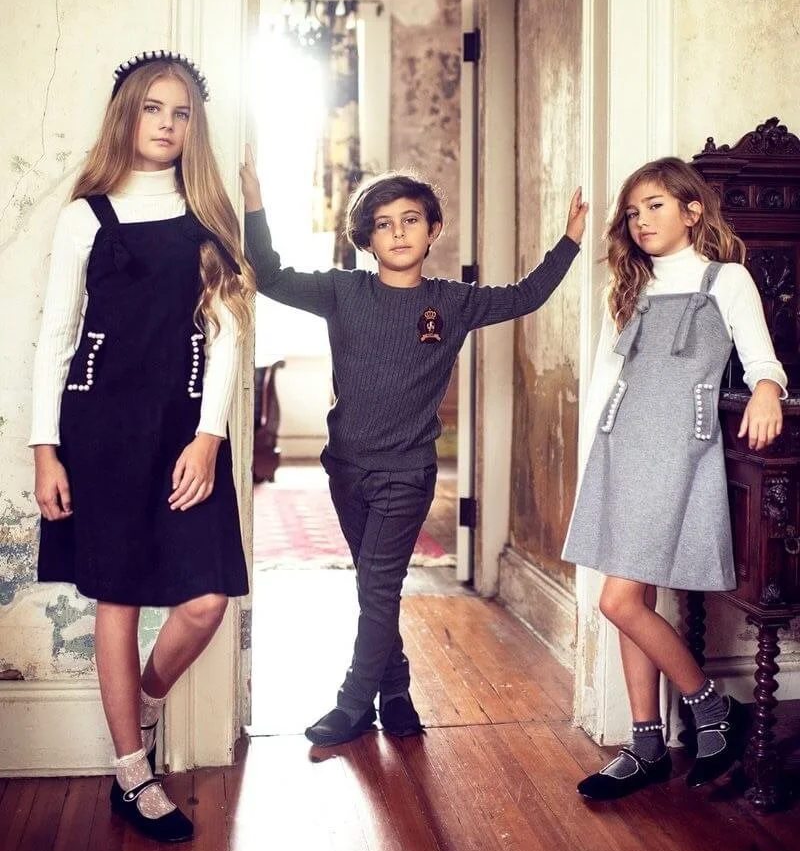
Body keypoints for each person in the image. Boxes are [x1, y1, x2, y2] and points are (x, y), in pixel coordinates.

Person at [240, 148, 587, 746]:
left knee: (378, 584)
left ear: (433, 230)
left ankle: (353, 704)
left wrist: (571, 240)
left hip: (407, 472)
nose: (398, 231)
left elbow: (527, 295)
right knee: (374, 585)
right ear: (367, 238)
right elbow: (267, 274)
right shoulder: (341, 292)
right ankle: (395, 691)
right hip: (346, 467)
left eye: (410, 219)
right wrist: (255, 202)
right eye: (383, 223)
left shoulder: (453, 302)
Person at [31, 52, 253, 842]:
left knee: (205, 602)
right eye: (152, 108)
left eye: (181, 112)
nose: (166, 123)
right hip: (101, 435)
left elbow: (225, 336)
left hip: (183, 435)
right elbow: (56, 337)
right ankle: (132, 770)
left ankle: (147, 700)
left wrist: (208, 435)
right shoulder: (86, 214)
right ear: (127, 115)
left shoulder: (208, 219)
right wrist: (43, 448)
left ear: (194, 127)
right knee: (117, 598)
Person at [562, 156, 786, 800]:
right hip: (619, 446)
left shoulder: (727, 279)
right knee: (633, 601)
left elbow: (760, 357)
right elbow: (610, 376)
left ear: (693, 210)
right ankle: (647, 745)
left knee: (619, 601)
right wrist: (593, 457)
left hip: (677, 450)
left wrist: (767, 392)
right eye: (632, 211)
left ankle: (712, 705)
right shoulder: (630, 284)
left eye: (655, 205)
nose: (640, 220)